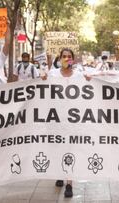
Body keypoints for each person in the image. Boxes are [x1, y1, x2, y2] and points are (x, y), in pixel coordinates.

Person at [42, 48, 90, 198]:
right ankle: (59, 173)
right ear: (60, 58)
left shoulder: (79, 76)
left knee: (70, 149)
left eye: (69, 57)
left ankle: (69, 183)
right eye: (64, 56)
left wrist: (90, 80)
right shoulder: (52, 74)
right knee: (57, 148)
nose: (67, 59)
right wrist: (42, 79)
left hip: (73, 120)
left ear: (73, 60)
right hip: (56, 118)